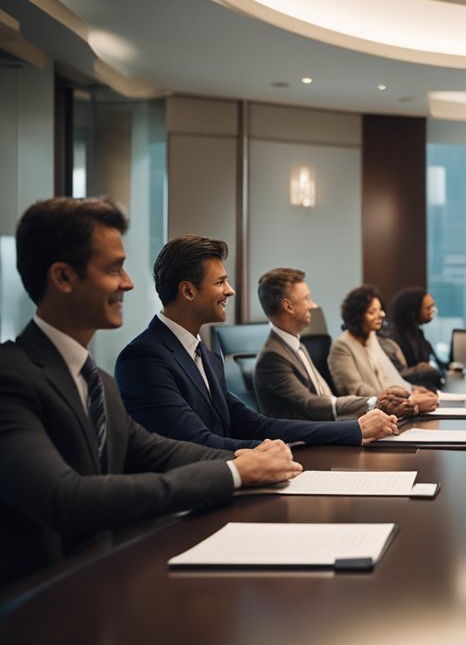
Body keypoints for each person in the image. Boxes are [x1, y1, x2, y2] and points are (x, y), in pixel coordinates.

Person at [0, 199, 299, 584]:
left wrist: (251, 458)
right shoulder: (11, 375)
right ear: (63, 277)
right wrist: (235, 472)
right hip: (37, 609)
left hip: (105, 580)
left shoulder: (99, 381)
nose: (128, 282)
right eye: (113, 269)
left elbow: (157, 450)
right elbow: (66, 498)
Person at [115, 237, 398, 451]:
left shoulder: (207, 356)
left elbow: (258, 424)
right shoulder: (144, 358)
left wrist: (354, 430)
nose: (231, 290)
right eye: (221, 282)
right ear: (188, 290)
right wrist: (267, 452)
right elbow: (197, 443)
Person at [251, 268, 423, 421]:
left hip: (327, 430)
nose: (314, 305)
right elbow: (310, 404)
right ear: (289, 307)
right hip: (303, 448)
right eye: (307, 299)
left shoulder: (296, 346)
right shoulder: (273, 356)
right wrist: (374, 403)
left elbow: (323, 397)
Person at [327, 285, 441, 413]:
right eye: (372, 312)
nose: (381, 314)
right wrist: (404, 400)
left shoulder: (372, 338)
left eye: (380, 310)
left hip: (388, 410)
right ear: (357, 315)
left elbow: (390, 378)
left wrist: (413, 390)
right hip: (367, 416)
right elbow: (357, 390)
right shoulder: (342, 346)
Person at [384, 287, 446, 391]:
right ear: (413, 310)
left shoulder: (417, 333)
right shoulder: (392, 337)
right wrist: (420, 369)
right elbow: (395, 374)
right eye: (428, 308)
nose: (433, 311)